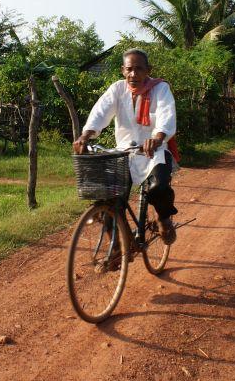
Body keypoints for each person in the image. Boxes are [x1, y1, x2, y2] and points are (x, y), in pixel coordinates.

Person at [73, 48, 179, 244]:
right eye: (129, 69)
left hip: (154, 151)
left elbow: (166, 114)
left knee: (158, 188)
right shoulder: (117, 89)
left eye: (139, 69)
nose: (133, 74)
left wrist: (157, 137)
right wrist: (85, 136)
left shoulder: (161, 89)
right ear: (123, 70)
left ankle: (163, 218)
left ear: (148, 70)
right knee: (107, 198)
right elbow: (100, 113)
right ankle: (119, 245)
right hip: (124, 152)